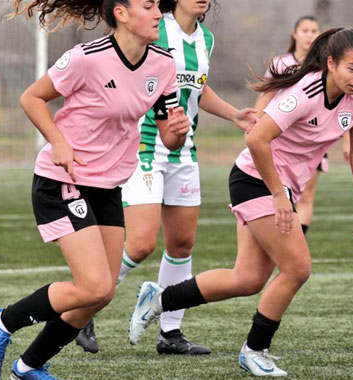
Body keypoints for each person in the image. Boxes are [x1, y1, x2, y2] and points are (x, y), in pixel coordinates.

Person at [128, 28, 353, 377]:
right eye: (352, 68)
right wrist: (279, 196)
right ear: (331, 63)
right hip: (255, 179)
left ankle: (159, 299)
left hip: (280, 187)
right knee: (297, 268)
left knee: (246, 279)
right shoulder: (303, 93)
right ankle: (254, 350)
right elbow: (257, 140)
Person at [0, 1, 189, 379]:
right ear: (121, 13)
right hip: (63, 180)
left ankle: (28, 366)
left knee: (100, 294)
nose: (159, 12)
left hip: (107, 185)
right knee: (91, 285)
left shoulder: (163, 63)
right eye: (148, 5)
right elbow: (32, 97)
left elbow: (168, 137)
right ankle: (0, 321)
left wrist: (177, 132)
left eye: (159, 5)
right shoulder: (86, 58)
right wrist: (58, 141)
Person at [74, 0, 259, 356]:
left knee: (182, 244)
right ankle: (86, 306)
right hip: (145, 146)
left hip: (183, 150)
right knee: (142, 243)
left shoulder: (206, 37)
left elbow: (197, 90)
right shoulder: (157, 27)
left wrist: (235, 114)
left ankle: (170, 333)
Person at [254, 15, 329, 235]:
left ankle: (297, 243)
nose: (309, 35)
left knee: (306, 194)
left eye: (314, 30)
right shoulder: (281, 62)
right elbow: (267, 93)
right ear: (294, 34)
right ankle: (282, 239)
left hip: (311, 138)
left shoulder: (324, 66)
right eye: (305, 30)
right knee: (276, 190)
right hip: (279, 137)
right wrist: (255, 121)